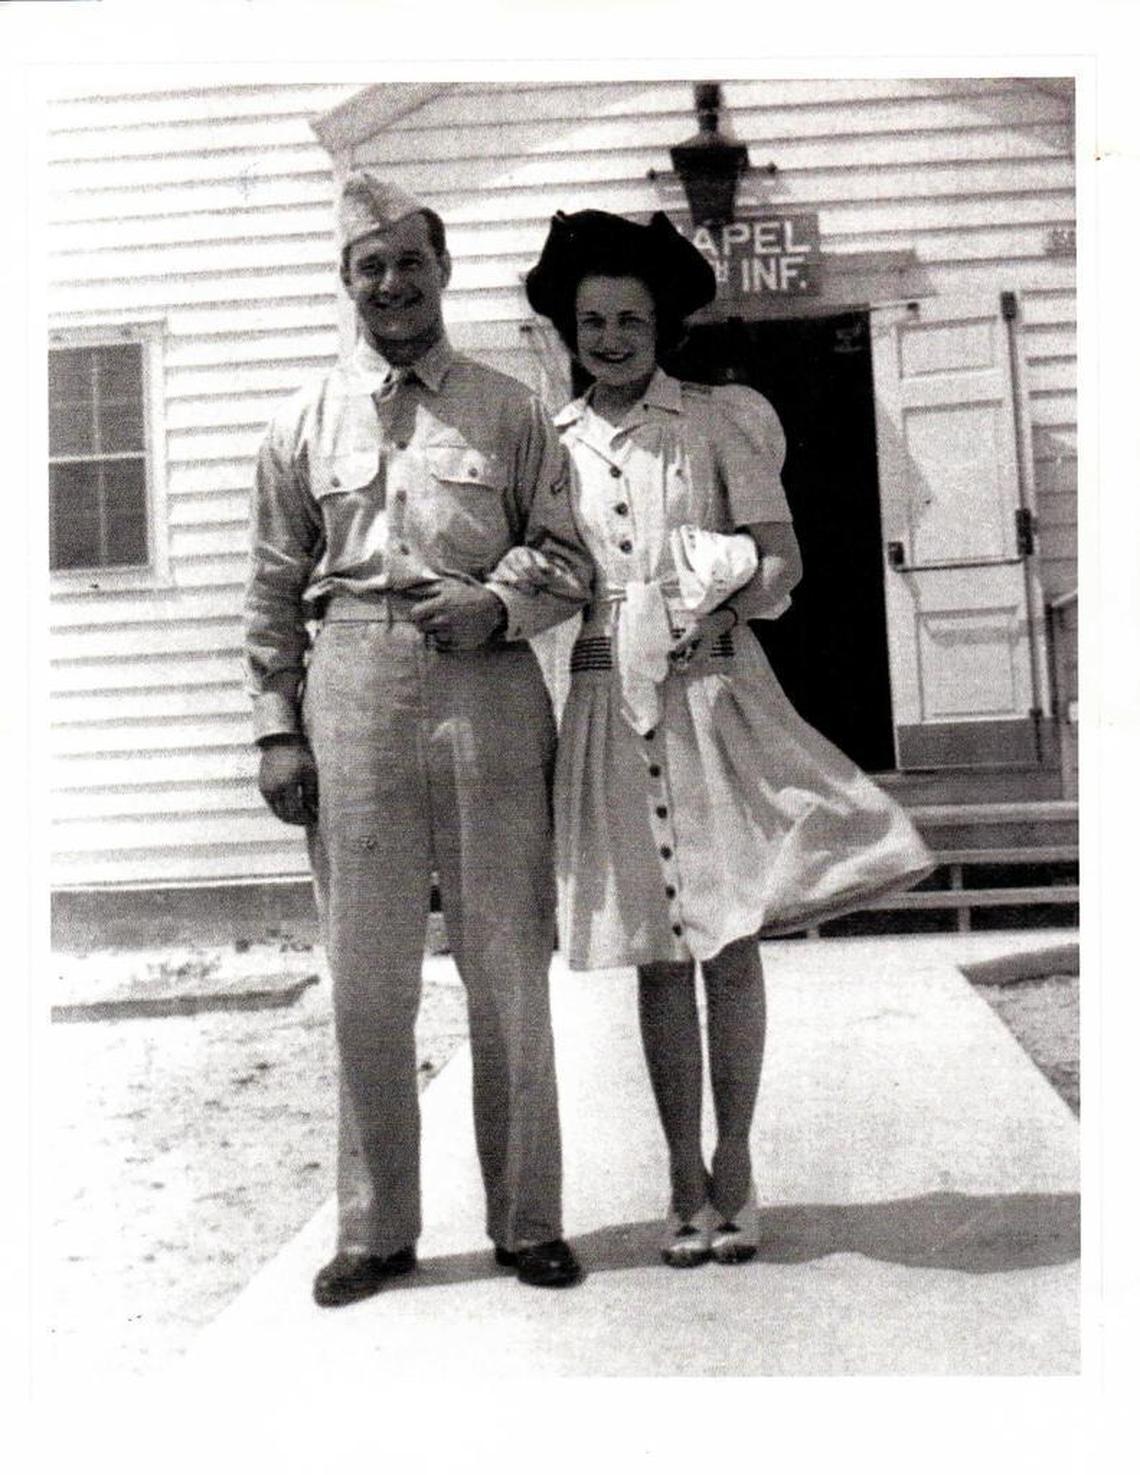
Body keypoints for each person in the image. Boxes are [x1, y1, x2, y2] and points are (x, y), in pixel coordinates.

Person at [523, 209, 933, 1268]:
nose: (612, 337)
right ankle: (682, 1176)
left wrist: (724, 590)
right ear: (570, 331)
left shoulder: (712, 425)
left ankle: (738, 1159)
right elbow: (548, 577)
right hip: (611, 705)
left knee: (728, 939)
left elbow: (784, 561)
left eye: (631, 318)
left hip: (712, 700)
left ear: (665, 326)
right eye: (593, 321)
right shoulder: (551, 445)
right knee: (660, 954)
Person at [245, 172, 593, 1306]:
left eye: (410, 262)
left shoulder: (511, 405)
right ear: (347, 283)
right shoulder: (301, 421)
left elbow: (567, 555)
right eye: (370, 267)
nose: (392, 284)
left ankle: (529, 1217)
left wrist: (499, 605)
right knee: (367, 978)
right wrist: (276, 732)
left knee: (507, 969)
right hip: (351, 689)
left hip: (487, 690)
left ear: (444, 270)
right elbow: (269, 590)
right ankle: (376, 1228)